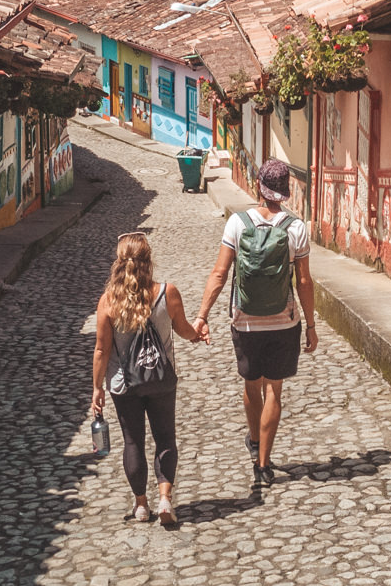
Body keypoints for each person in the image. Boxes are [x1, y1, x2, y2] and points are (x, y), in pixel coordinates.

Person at [194, 158, 316, 487]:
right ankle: (263, 462)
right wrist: (311, 324)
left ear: (259, 188)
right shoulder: (296, 228)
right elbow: (304, 282)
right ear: (284, 193)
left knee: (252, 386)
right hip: (284, 322)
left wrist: (202, 315)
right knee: (274, 390)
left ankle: (254, 441)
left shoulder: (237, 224)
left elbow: (220, 273)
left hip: (245, 321)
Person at [91, 231, 202, 526]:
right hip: (161, 379)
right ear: (149, 261)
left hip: (123, 384)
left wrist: (96, 388)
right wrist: (197, 335)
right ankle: (165, 498)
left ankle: (141, 505)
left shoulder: (108, 302)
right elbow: (183, 329)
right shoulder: (168, 292)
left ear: (119, 263)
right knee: (165, 437)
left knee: (133, 442)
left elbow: (101, 349)